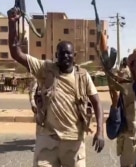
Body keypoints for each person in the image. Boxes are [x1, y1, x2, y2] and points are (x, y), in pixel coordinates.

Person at [7, 7, 104, 167]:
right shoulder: (45, 69)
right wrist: (12, 25)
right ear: (56, 56)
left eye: (68, 53)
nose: (65, 56)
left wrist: (100, 131)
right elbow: (16, 53)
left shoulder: (83, 76)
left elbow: (97, 102)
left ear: (74, 56)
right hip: (47, 139)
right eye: (61, 53)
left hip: (73, 141)